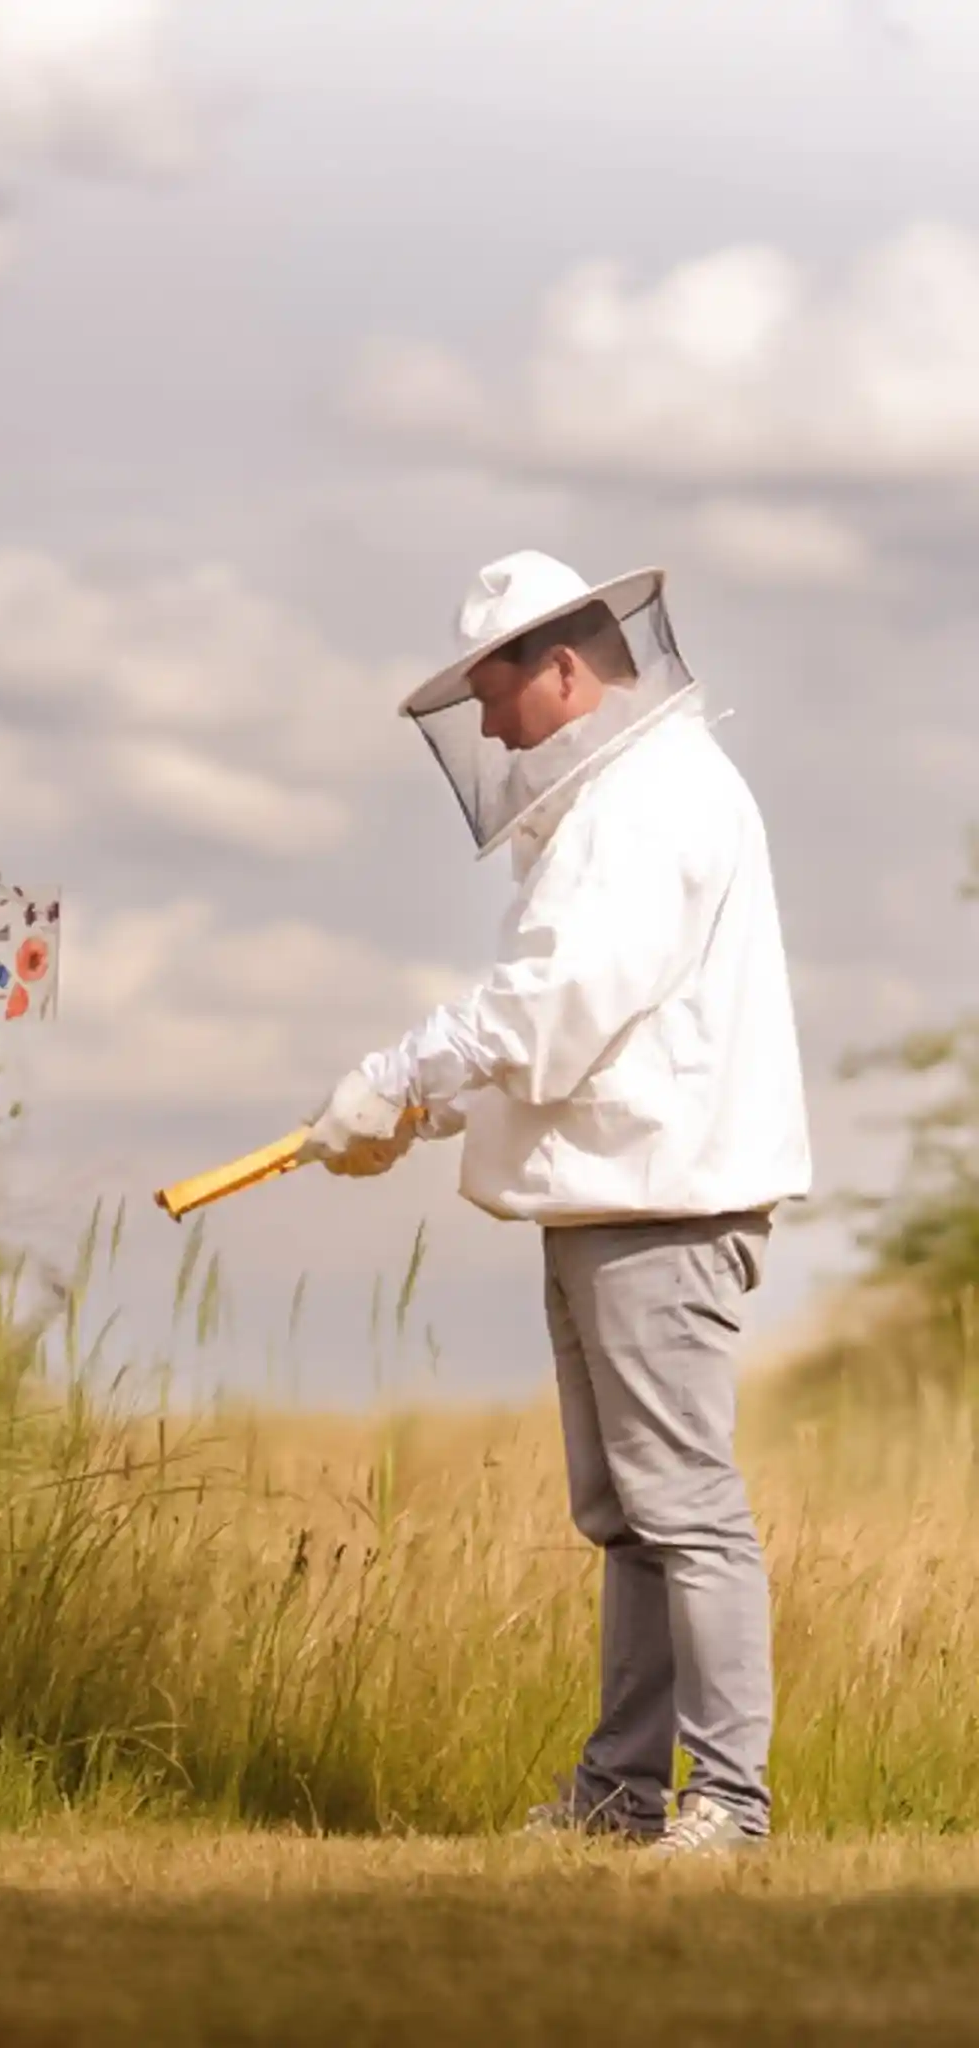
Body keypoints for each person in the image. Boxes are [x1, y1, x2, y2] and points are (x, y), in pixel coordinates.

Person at [306, 550, 810, 1858]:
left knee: (681, 1504)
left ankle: (728, 1805)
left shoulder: (650, 800)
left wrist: (396, 1073)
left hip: (662, 1207)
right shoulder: (632, 797)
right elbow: (584, 1038)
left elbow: (552, 1003)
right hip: (615, 1195)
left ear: (569, 669)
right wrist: (420, 1113)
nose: (484, 726)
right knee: (630, 1514)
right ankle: (623, 1793)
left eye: (496, 692)